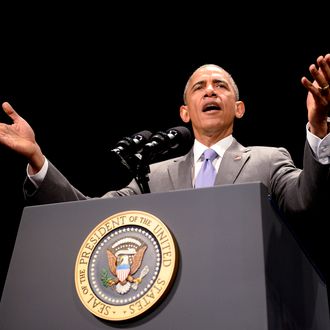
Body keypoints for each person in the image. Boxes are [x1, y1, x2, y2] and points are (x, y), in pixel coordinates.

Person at [0, 54, 330, 220]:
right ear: (185, 112)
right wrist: (37, 159)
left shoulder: (268, 159)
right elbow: (88, 216)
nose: (210, 90)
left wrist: (318, 128)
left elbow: (307, 201)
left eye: (220, 86)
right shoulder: (153, 175)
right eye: (199, 87)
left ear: (239, 108)